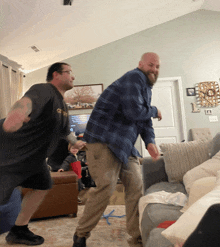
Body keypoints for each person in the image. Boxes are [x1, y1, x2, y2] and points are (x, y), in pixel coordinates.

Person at [72, 52, 162, 247]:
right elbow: (134, 112)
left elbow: (143, 119)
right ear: (140, 64)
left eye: (157, 66)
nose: (154, 69)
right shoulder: (134, 77)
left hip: (125, 146)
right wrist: (155, 110)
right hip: (103, 141)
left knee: (136, 186)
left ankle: (136, 238)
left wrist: (150, 142)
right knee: (106, 187)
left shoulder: (146, 88)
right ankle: (81, 234)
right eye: (151, 65)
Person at [0, 62, 86, 245]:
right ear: (56, 75)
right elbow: (27, 102)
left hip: (34, 159)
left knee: (44, 183)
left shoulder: (62, 104)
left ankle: (19, 230)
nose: (73, 76)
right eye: (69, 72)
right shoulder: (44, 90)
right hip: (10, 155)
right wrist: (17, 113)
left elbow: (64, 130)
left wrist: (75, 142)